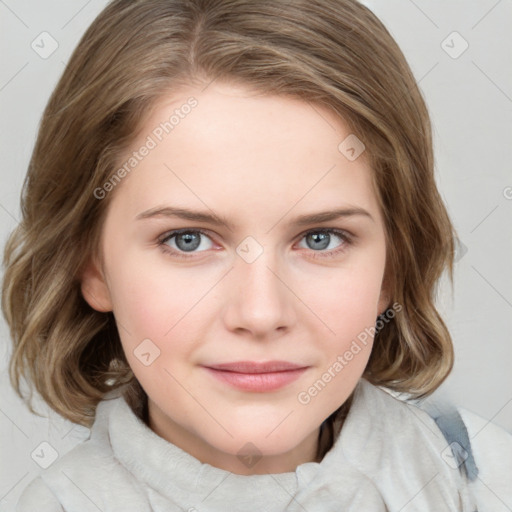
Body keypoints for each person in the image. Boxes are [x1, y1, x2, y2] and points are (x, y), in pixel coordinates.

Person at [2, 0, 510, 510]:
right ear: (92, 266)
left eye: (320, 238)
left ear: (392, 265)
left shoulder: (486, 481)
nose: (261, 313)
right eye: (188, 240)